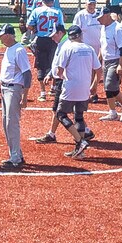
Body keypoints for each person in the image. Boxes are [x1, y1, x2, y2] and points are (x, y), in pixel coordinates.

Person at [37, 26, 99, 158]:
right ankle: (80, 150)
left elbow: (59, 71)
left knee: (61, 114)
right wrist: (94, 85)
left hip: (70, 87)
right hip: (85, 87)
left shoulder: (67, 48)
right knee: (79, 116)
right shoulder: (89, 49)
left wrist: (60, 77)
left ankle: (80, 141)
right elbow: (98, 69)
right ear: (80, 35)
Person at [0, 23, 32, 169]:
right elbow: (8, 72)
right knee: (6, 123)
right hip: (5, 88)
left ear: (8, 35)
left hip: (14, 90)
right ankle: (16, 154)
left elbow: (27, 74)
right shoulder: (9, 49)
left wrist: (25, 96)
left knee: (11, 123)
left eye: (1, 36)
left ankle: (15, 158)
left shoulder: (19, 50)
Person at [97, 7, 122, 121]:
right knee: (107, 88)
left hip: (116, 60)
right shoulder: (103, 28)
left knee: (110, 86)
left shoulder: (117, 28)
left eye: (100, 17)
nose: (98, 20)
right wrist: (99, 58)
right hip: (106, 60)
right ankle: (112, 112)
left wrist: (120, 65)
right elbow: (103, 45)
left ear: (107, 16)